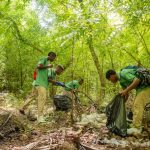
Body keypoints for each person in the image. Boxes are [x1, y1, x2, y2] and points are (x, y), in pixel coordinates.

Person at [20, 52, 64, 122]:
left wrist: (59, 84)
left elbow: (50, 81)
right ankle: (40, 117)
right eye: (60, 71)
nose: (60, 72)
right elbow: (40, 68)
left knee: (33, 96)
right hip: (41, 83)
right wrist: (57, 82)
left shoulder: (53, 72)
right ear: (58, 68)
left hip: (37, 83)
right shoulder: (46, 62)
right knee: (42, 98)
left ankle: (22, 107)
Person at [106, 67, 150, 135]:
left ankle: (137, 128)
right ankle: (136, 125)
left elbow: (137, 80)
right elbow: (126, 95)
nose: (111, 81)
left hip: (146, 87)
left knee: (137, 105)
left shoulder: (123, 73)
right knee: (134, 107)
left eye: (110, 79)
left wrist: (126, 90)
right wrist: (120, 104)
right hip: (140, 89)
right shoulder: (121, 82)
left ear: (112, 75)